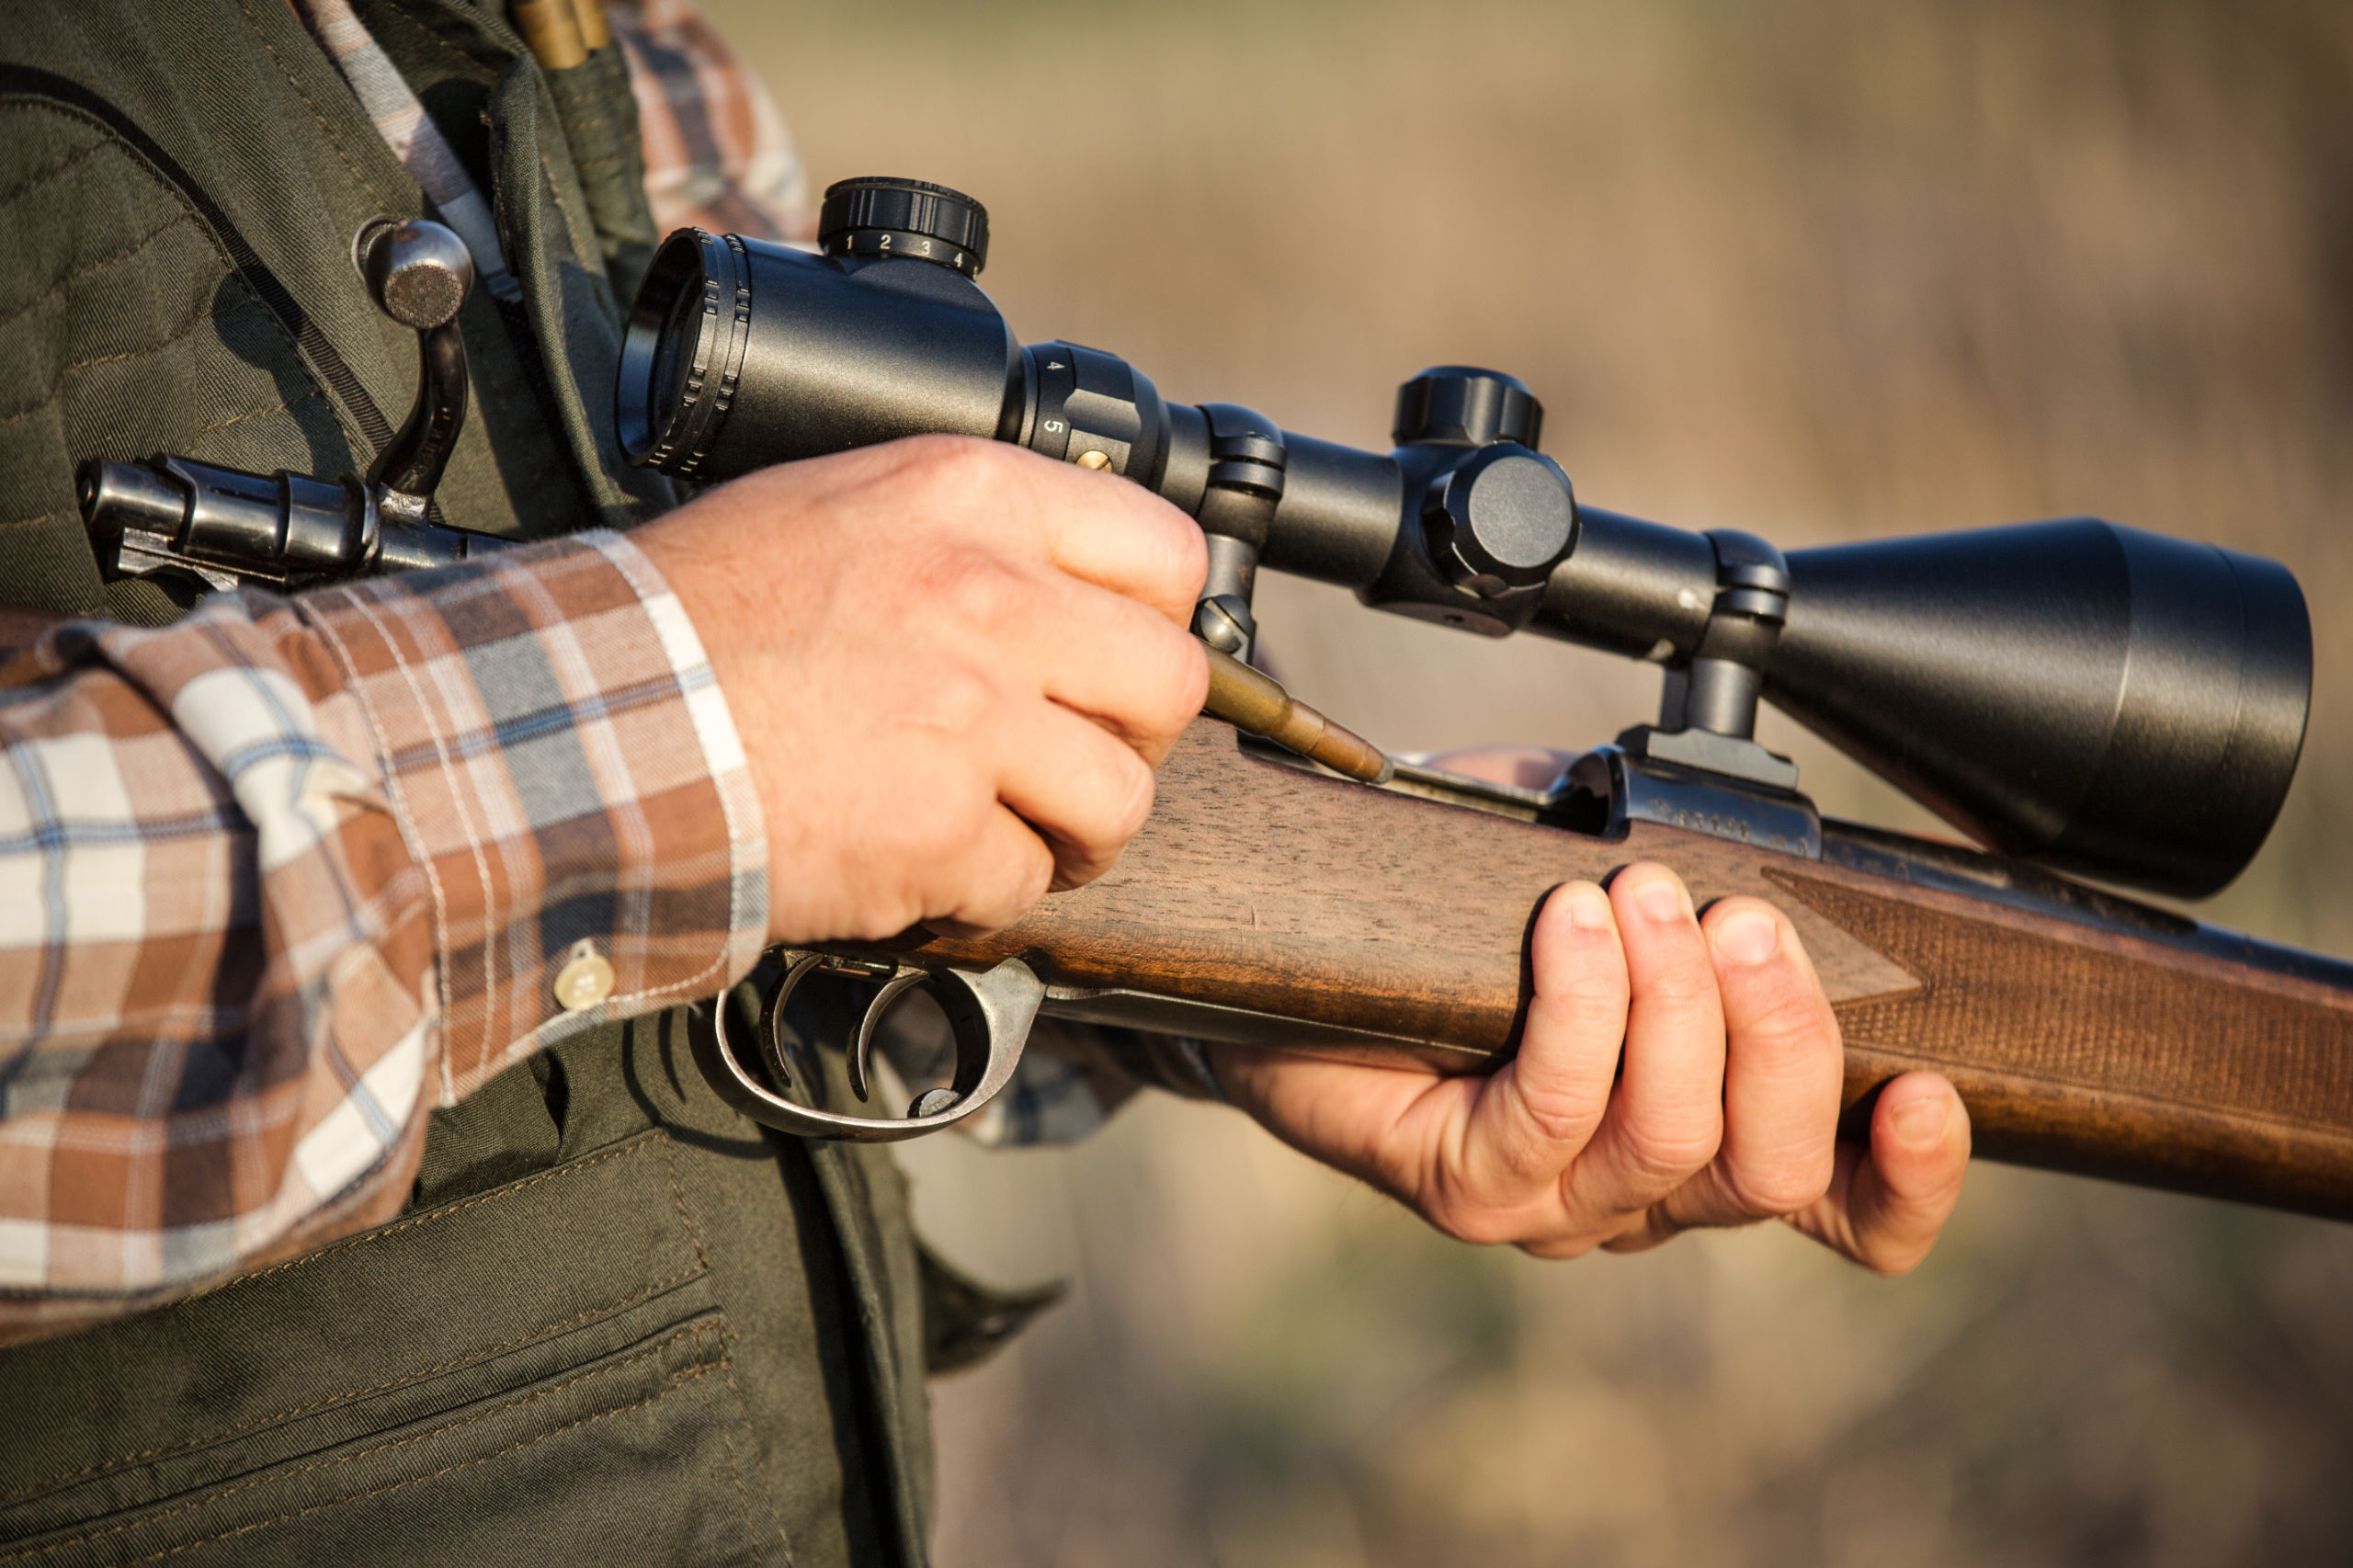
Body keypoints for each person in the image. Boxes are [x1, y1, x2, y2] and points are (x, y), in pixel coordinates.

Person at [0, 1, 1972, 1562]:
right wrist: (686, 717)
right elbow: (713, 716)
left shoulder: (579, 30)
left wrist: (1263, 954)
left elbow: (786, 810)